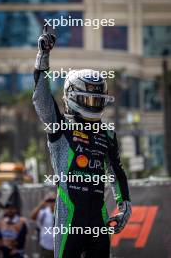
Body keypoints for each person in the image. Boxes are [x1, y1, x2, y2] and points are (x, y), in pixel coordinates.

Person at [33, 24, 132, 258]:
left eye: (96, 98)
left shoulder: (107, 134)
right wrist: (43, 56)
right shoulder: (60, 126)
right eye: (87, 98)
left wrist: (124, 205)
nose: (92, 103)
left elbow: (117, 171)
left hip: (98, 221)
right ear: (72, 97)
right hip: (69, 221)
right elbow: (41, 98)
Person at [31, 192, 56, 258]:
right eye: (50, 200)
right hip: (46, 245)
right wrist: (43, 202)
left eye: (54, 200)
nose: (52, 202)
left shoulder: (61, 213)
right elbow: (33, 217)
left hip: (59, 246)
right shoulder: (44, 212)